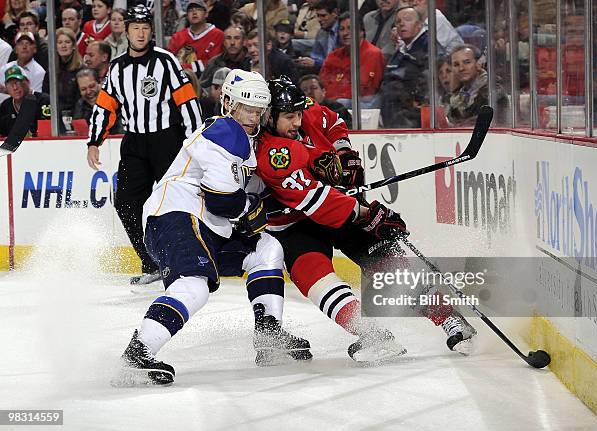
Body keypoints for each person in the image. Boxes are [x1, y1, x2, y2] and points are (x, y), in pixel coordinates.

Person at [255, 77, 477, 361]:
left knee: (386, 265)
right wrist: (369, 214)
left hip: (337, 202)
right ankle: (372, 335)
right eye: (289, 117)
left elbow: (332, 122)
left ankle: (450, 319)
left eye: (298, 114)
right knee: (316, 279)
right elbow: (316, 200)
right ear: (269, 116)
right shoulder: (271, 153)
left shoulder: (301, 111)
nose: (297, 122)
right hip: (297, 223)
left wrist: (344, 151)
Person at [116, 69, 311, 385]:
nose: (253, 117)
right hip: (176, 215)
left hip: (209, 226)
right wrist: (252, 209)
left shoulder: (245, 141)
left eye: (259, 111)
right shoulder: (225, 131)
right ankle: (137, 354)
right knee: (194, 285)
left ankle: (268, 334)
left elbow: (245, 198)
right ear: (229, 104)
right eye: (248, 109)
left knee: (267, 250)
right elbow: (224, 200)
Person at [86, 5, 203, 286]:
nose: (140, 33)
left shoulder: (166, 61)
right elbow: (105, 106)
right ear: (125, 31)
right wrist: (94, 141)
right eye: (135, 27)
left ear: (151, 31)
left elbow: (187, 103)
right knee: (126, 202)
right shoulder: (117, 67)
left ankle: (184, 261)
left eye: (145, 27)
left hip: (168, 140)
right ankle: (151, 262)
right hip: (135, 142)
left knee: (175, 203)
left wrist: (195, 143)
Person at [319, 12, 384, 108]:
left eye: (350, 28)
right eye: (341, 29)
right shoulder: (333, 56)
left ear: (361, 31)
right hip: (330, 104)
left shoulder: (373, 54)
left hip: (358, 106)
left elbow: (365, 90)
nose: (345, 33)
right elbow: (322, 84)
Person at [379, 6, 429, 128]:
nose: (401, 24)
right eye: (398, 21)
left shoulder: (428, 44)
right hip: (393, 111)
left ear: (419, 24)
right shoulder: (401, 50)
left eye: (407, 19)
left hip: (413, 115)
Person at [167, 0, 224, 76]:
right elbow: (169, 62)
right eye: (190, 10)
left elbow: (212, 64)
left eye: (198, 9)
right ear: (187, 15)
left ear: (206, 13)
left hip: (206, 81)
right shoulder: (178, 36)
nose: (194, 12)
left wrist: (181, 67)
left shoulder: (218, 35)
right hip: (180, 79)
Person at [0, 65, 50, 136]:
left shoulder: (44, 101)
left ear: (27, 82)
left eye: (18, 82)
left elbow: (48, 134)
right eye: (10, 84)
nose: (15, 88)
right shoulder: (5, 106)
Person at [295, 0, 340, 71]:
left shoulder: (343, 31)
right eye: (318, 16)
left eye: (323, 16)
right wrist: (308, 61)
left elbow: (342, 62)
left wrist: (316, 63)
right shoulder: (321, 32)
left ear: (335, 13)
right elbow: (316, 56)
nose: (319, 19)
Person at [56, 27, 82, 114]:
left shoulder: (81, 70)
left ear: (74, 45)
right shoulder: (51, 71)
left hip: (76, 115)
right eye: (60, 42)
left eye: (67, 42)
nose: (63, 46)